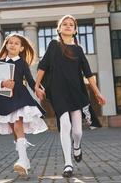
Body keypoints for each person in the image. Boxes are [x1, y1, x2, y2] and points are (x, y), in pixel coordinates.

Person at [35, 15, 106, 178]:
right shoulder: (53, 45)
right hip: (58, 91)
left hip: (76, 92)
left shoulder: (79, 50)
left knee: (78, 132)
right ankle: (68, 164)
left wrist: (97, 93)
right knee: (65, 125)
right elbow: (42, 66)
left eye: (71, 25)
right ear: (59, 29)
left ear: (75, 30)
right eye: (64, 24)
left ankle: (77, 146)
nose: (67, 26)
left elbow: (88, 74)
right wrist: (36, 86)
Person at [0, 33, 48, 176]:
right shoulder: (0, 62)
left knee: (18, 125)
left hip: (20, 97)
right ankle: (25, 160)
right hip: (3, 98)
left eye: (17, 43)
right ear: (6, 45)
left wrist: (37, 89)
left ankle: (22, 161)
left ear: (21, 48)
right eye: (10, 42)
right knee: (13, 129)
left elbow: (29, 80)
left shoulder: (22, 63)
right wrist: (2, 83)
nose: (13, 45)